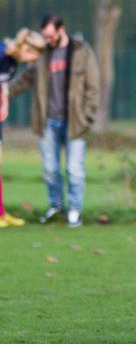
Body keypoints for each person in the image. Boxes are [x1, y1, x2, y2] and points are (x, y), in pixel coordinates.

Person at [9, 14, 101, 227]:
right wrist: (5, 92)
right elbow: (26, 79)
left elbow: (94, 87)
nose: (48, 41)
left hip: (75, 121)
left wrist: (87, 116)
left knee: (74, 170)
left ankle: (75, 210)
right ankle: (56, 206)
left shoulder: (82, 52)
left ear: (62, 29)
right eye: (45, 37)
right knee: (50, 169)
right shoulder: (42, 54)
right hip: (48, 121)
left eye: (51, 36)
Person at [0, 29, 46, 227]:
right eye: (33, 55)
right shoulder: (1, 55)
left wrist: (5, 104)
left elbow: (3, 84)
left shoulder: (11, 61)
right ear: (25, 48)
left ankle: (1, 214)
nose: (33, 61)